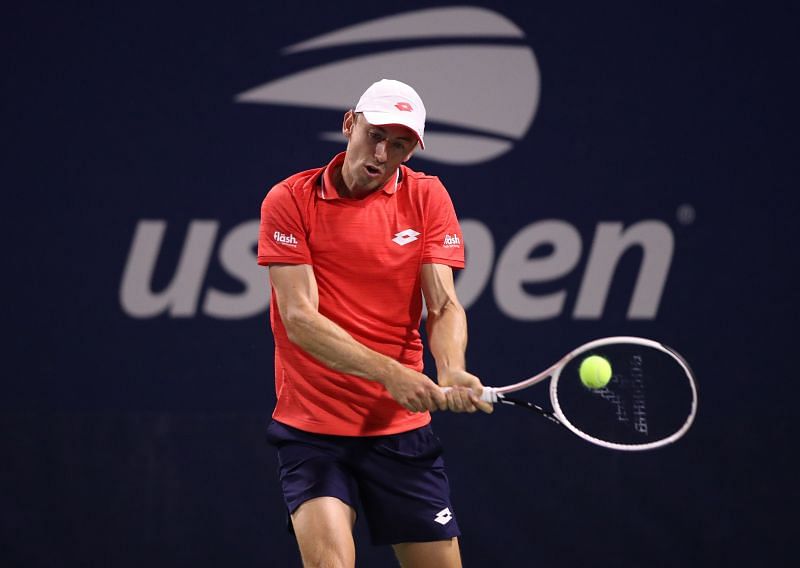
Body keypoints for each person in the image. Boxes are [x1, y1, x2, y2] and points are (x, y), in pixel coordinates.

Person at [257, 78, 492, 568]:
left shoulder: (428, 197)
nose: (383, 152)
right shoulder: (290, 199)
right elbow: (299, 318)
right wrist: (391, 374)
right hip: (313, 429)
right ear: (349, 124)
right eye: (376, 134)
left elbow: (444, 304)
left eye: (401, 143)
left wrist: (449, 369)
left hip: (399, 431)